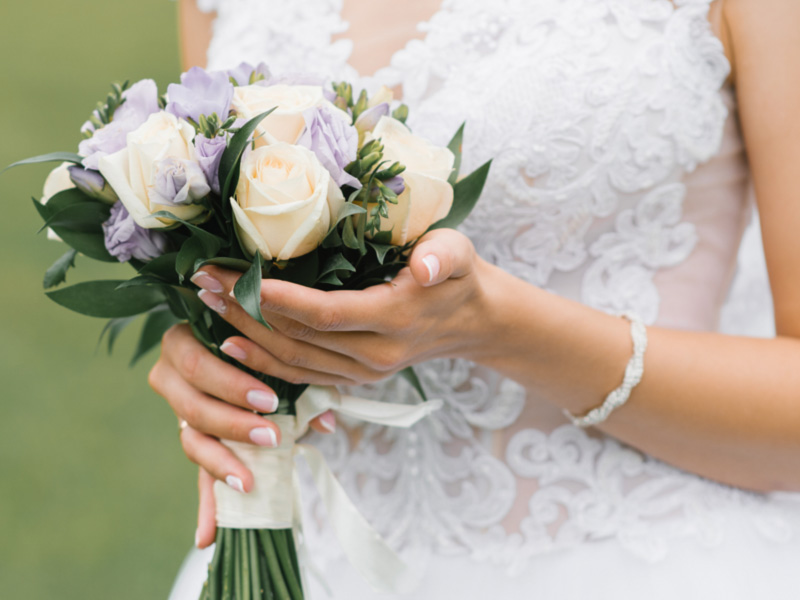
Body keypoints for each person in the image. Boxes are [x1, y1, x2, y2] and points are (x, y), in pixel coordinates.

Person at [152, 0, 800, 597]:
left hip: (632, 561)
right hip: (311, 561)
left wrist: (504, 330)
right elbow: (225, 249)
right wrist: (216, 359)